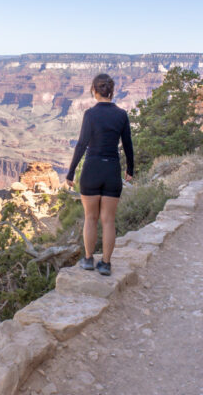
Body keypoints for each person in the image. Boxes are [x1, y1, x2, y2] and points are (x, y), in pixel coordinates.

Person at [65, 73, 134, 276]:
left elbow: (81, 144)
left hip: (92, 170)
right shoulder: (121, 115)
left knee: (90, 217)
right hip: (112, 170)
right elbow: (128, 145)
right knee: (108, 220)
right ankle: (105, 263)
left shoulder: (90, 114)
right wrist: (130, 170)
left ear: (94, 91)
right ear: (111, 91)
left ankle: (88, 259)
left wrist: (70, 172)